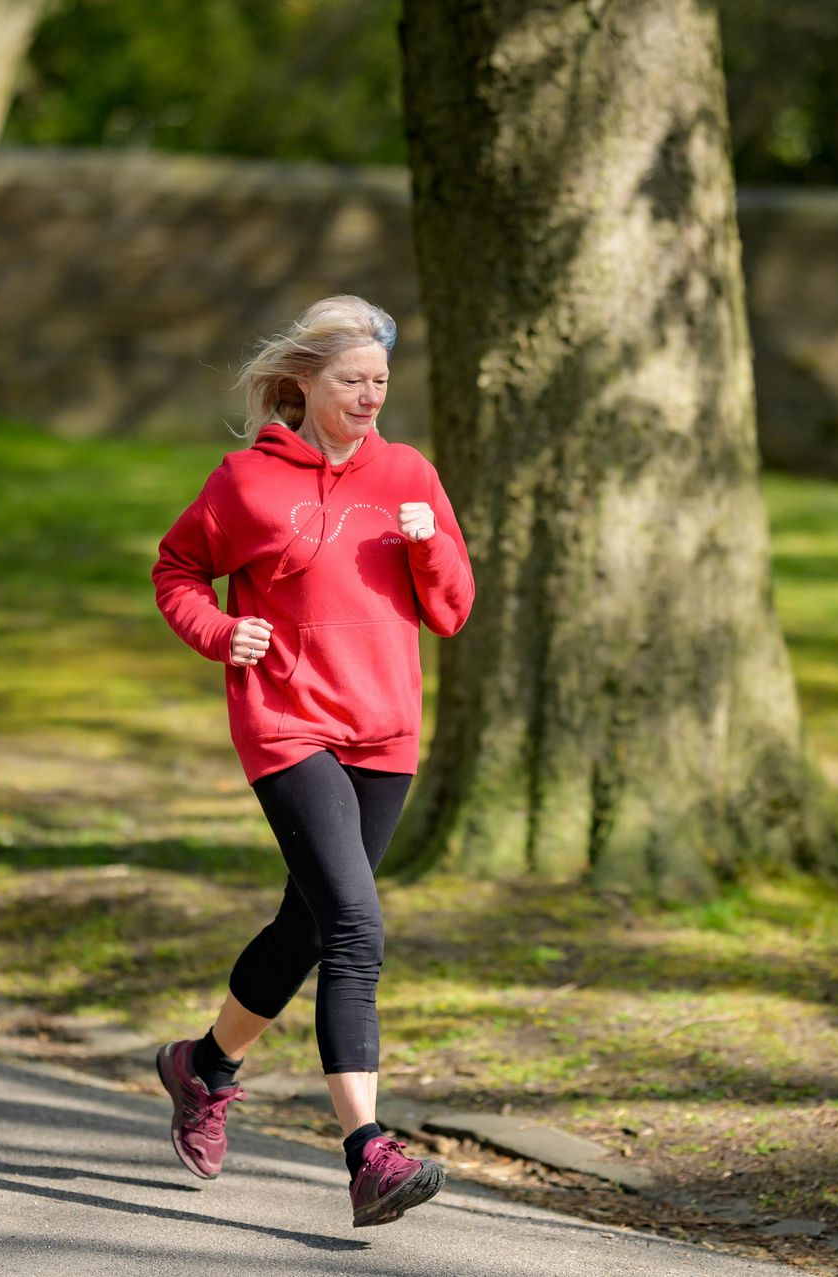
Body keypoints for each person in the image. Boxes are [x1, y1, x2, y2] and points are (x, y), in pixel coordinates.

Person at [148, 295, 475, 1228]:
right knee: (356, 928)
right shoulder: (247, 482)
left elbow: (451, 610)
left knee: (308, 923)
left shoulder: (409, 473)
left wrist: (429, 542)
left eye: (379, 380)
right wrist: (219, 629)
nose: (370, 396)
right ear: (304, 382)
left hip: (385, 731)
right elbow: (176, 567)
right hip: (287, 723)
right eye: (351, 381)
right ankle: (368, 1151)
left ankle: (204, 1066)